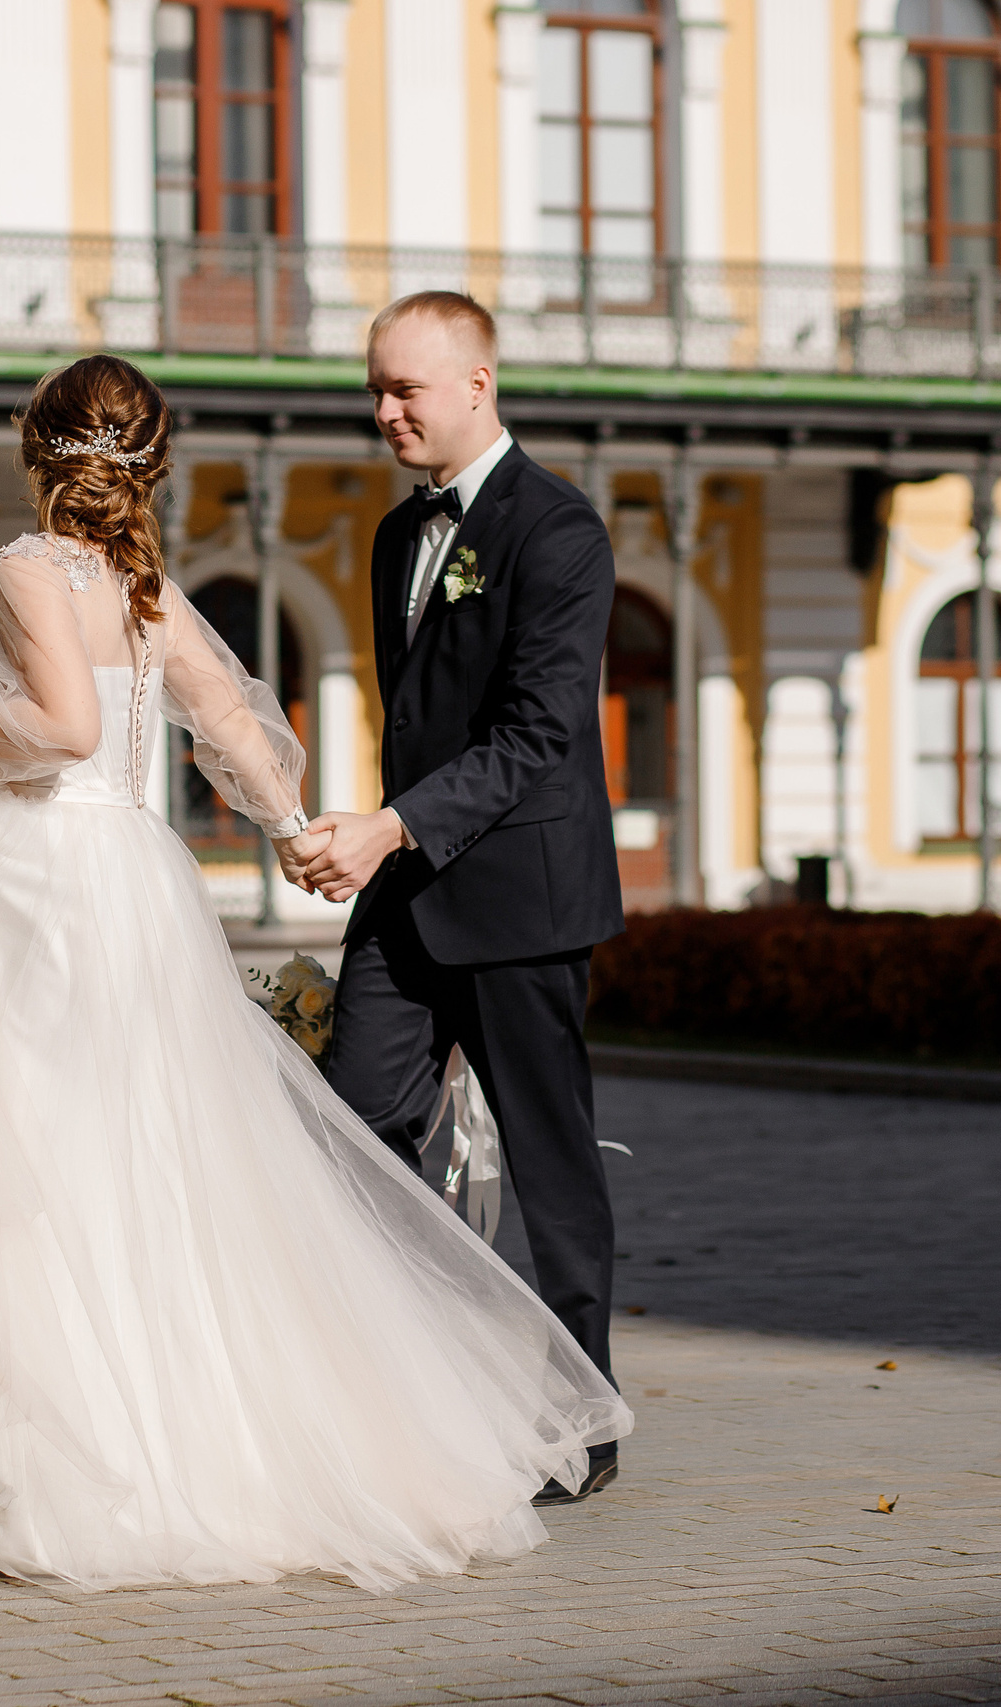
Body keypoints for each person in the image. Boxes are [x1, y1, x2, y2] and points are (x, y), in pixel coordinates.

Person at [0, 353, 627, 1591]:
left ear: (36, 448)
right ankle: (187, 1468)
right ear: (148, 461)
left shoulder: (31, 567)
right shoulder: (140, 585)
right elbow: (240, 733)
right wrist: (302, 836)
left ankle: (63, 1494)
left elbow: (61, 730)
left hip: (45, 893)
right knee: (148, 1176)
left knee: (42, 1184)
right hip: (138, 891)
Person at [295, 291, 629, 1505]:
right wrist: (372, 838)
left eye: (404, 390)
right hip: (406, 893)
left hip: (523, 902)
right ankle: (413, 1382)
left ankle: (582, 1415)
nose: (382, 412)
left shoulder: (560, 532)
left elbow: (538, 733)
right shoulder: (395, 536)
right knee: (352, 1135)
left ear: (477, 383)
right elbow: (421, 720)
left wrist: (388, 827)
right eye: (373, 392)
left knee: (550, 1171)